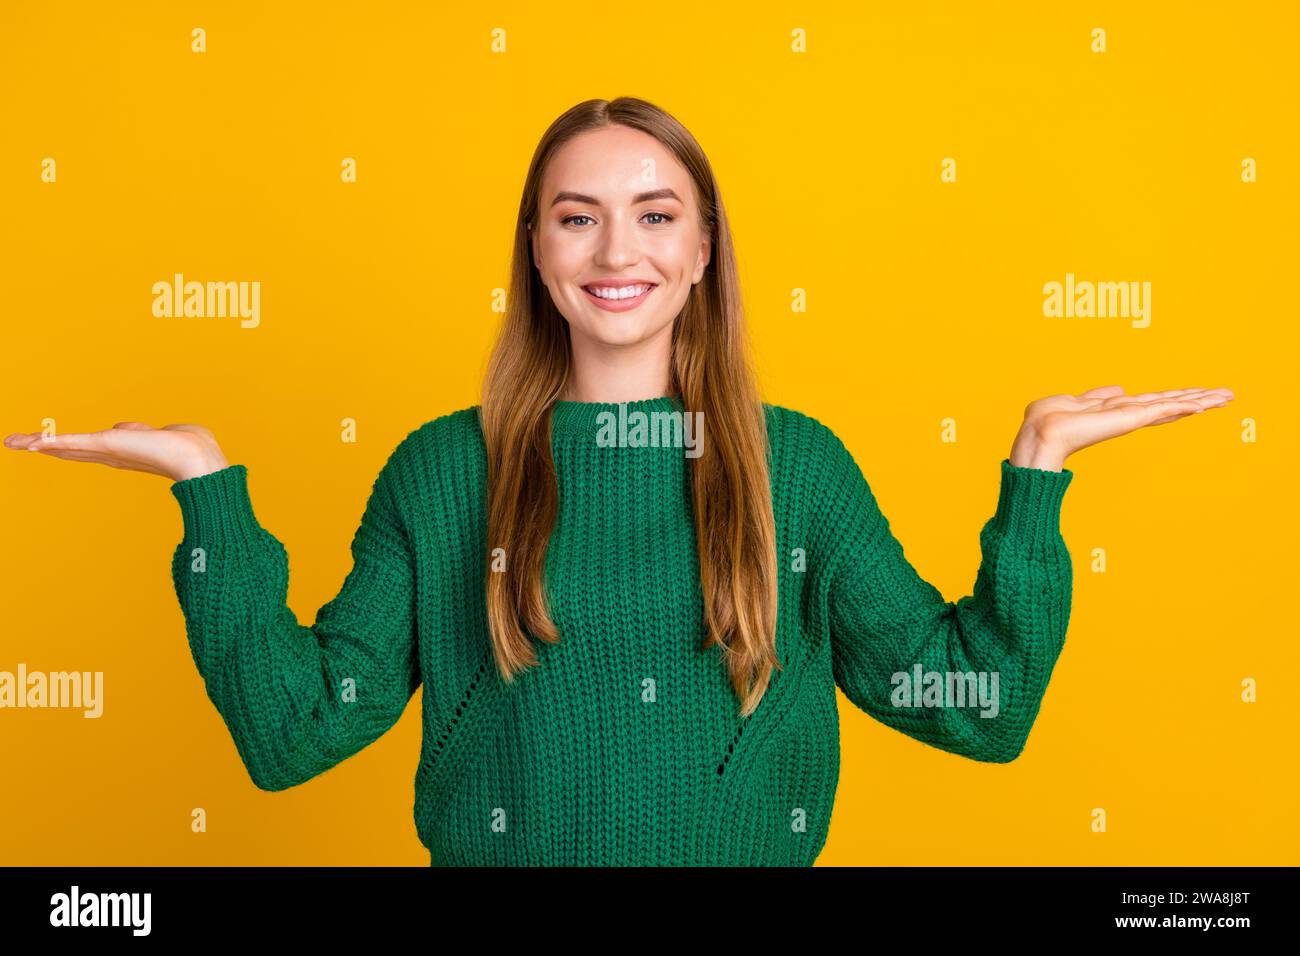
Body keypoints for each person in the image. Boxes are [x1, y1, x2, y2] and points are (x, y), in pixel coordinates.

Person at [3, 96, 1234, 866]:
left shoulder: (791, 465)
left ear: (703, 250)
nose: (616, 250)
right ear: (536, 251)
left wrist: (1036, 474)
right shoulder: (447, 471)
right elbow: (295, 731)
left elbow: (977, 705)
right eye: (575, 217)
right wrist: (209, 490)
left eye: (655, 215)